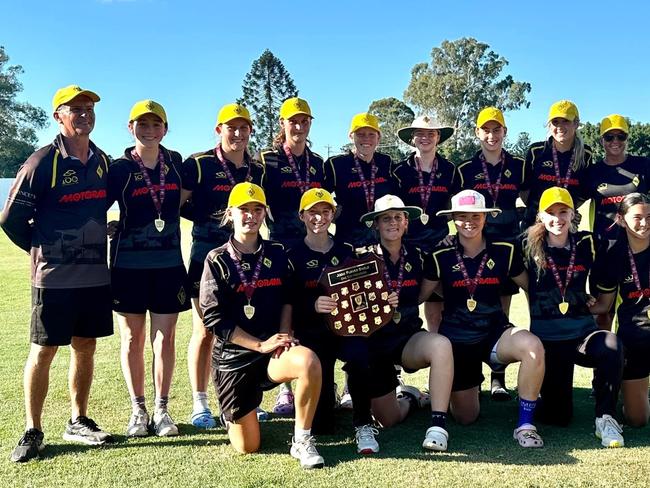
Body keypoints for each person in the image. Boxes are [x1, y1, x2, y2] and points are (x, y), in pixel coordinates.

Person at [1, 85, 113, 462]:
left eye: (88, 108)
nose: (84, 114)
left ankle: (78, 420)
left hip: (94, 277)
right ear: (58, 116)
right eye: (75, 109)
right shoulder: (41, 163)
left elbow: (103, 205)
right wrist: (41, 248)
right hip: (54, 279)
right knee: (44, 350)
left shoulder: (102, 161)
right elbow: (10, 219)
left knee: (86, 346)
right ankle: (33, 429)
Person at [200, 182, 324, 469]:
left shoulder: (278, 252)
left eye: (257, 209)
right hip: (234, 359)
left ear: (265, 213)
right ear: (231, 213)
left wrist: (283, 336)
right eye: (244, 209)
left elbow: (288, 298)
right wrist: (259, 345)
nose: (251, 216)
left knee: (308, 361)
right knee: (248, 447)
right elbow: (214, 320)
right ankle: (233, 414)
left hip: (271, 353)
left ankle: (302, 439)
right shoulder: (216, 259)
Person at [421, 189, 546, 448]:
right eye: (462, 216)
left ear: (486, 217)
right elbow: (419, 295)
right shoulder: (440, 254)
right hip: (456, 340)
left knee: (532, 346)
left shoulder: (504, 250)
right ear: (452, 218)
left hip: (495, 333)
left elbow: (531, 287)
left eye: (476, 215)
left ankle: (525, 425)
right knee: (466, 417)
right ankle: (420, 397)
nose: (470, 221)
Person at [107, 100, 190, 437]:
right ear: (131, 128)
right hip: (127, 263)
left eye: (156, 124)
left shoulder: (177, 163)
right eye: (143, 124)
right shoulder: (119, 168)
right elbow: (96, 205)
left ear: (165, 129)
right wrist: (110, 225)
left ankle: (162, 409)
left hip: (168, 263)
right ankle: (138, 409)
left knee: (165, 338)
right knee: (132, 338)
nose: (149, 130)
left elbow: (188, 199)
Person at [180, 104, 266, 428]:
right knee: (204, 330)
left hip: (244, 256)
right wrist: (206, 219)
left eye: (244, 128)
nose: (238, 133)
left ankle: (241, 400)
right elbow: (179, 205)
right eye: (232, 127)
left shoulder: (256, 170)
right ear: (219, 130)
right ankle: (200, 404)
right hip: (206, 253)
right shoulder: (199, 164)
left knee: (242, 326)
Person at [524, 187, 624, 447]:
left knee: (611, 344)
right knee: (558, 417)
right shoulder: (527, 247)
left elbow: (616, 256)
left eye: (563, 212)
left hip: (582, 335)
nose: (558, 219)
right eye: (551, 213)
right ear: (540, 217)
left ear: (572, 214)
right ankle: (540, 394)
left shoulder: (587, 243)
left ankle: (606, 418)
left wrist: (583, 300)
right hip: (548, 341)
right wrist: (448, 240)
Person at [353, 195, 454, 453]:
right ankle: (409, 396)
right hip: (374, 343)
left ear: (406, 223)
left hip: (408, 338)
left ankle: (438, 424)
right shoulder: (361, 258)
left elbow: (441, 288)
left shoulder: (420, 256)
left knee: (441, 344)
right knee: (389, 420)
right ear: (376, 224)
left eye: (398, 217)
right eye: (386, 218)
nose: (393, 223)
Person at [257, 97, 326, 416]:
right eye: (292, 121)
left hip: (313, 248)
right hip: (281, 249)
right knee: (282, 315)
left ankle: (324, 383)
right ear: (282, 124)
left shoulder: (318, 163)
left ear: (310, 123)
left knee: (316, 312)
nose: (298, 126)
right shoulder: (266, 160)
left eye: (304, 121)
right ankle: (284, 390)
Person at [455, 107, 528, 400]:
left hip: (507, 245)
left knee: (502, 309)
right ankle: (464, 370)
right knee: (471, 301)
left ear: (504, 132)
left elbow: (529, 200)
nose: (491, 135)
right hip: (476, 245)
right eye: (486, 130)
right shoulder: (465, 170)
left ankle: (498, 378)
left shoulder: (520, 166)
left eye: (497, 130)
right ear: (477, 133)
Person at [287, 188, 355, 431]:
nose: (319, 217)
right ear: (301, 216)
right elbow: (287, 298)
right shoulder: (292, 254)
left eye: (326, 211)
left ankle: (363, 411)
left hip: (346, 329)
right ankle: (326, 393)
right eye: (313, 212)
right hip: (312, 333)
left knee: (362, 354)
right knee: (322, 425)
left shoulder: (346, 249)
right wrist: (312, 304)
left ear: (333, 214)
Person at [583, 115, 650, 330]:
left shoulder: (643, 165)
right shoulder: (593, 172)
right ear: (601, 139)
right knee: (604, 315)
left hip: (639, 250)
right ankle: (604, 361)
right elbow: (571, 202)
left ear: (627, 138)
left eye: (621, 136)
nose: (615, 141)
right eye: (609, 136)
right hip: (605, 249)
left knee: (638, 309)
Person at [591, 193, 650, 430]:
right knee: (637, 420)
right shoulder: (613, 256)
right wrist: (573, 303)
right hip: (634, 338)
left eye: (649, 217)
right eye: (637, 217)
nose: (645, 223)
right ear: (621, 219)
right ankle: (633, 397)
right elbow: (604, 306)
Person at [324, 112, 395, 249]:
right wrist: (330, 213)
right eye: (360, 134)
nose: (366, 139)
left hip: (383, 242)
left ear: (378, 138)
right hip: (348, 242)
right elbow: (318, 197)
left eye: (371, 134)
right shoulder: (336, 164)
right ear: (351, 136)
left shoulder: (386, 162)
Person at [522, 100, 592, 229]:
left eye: (565, 121)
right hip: (535, 222)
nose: (560, 126)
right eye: (555, 122)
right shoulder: (536, 151)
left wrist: (569, 211)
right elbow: (524, 189)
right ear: (549, 125)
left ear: (576, 123)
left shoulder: (585, 154)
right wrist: (542, 213)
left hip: (565, 223)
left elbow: (585, 191)